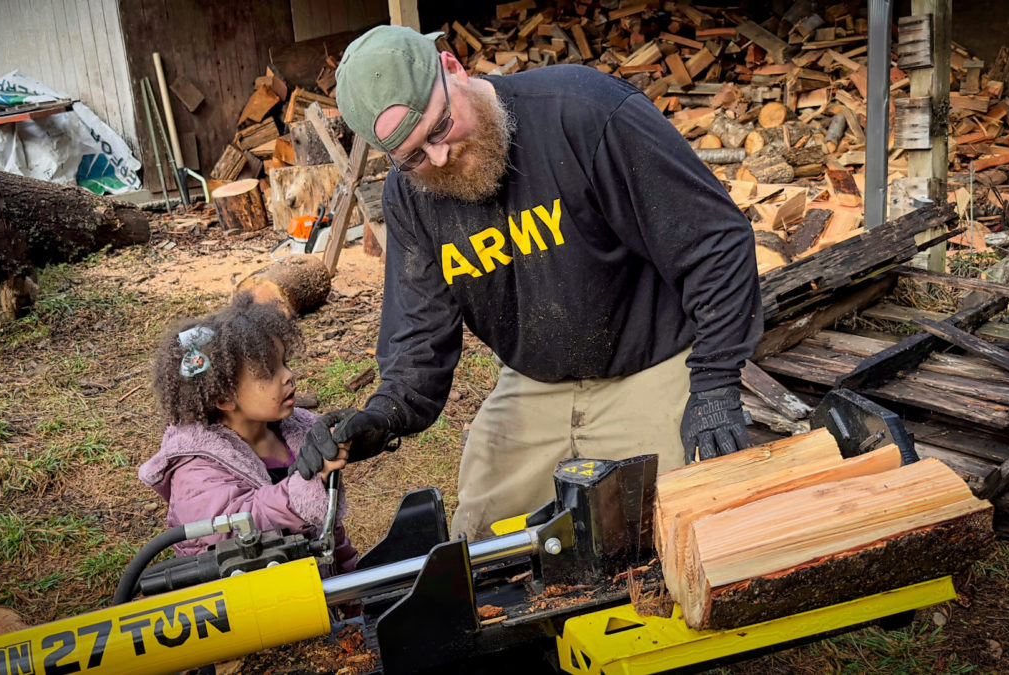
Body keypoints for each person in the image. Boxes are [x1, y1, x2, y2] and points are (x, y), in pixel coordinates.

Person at [292, 25, 763, 541]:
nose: (440, 157)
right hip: (534, 383)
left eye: (441, 126)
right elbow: (418, 338)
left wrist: (715, 383)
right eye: (415, 157)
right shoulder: (411, 199)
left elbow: (714, 241)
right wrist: (381, 417)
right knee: (477, 547)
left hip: (650, 364)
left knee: (673, 531)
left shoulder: (583, 111)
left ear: (453, 68)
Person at [139, 294, 357, 573]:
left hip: (310, 588)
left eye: (284, 363)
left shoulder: (295, 432)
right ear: (223, 400)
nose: (288, 376)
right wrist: (306, 484)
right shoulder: (194, 470)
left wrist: (349, 584)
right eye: (268, 373)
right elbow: (242, 523)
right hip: (244, 604)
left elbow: (328, 527)